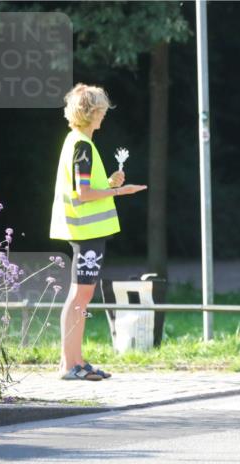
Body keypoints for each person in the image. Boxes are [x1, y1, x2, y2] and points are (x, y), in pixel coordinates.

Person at [50, 84, 147, 380]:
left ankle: (75, 361)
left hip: (85, 229)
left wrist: (108, 183)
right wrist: (119, 191)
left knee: (81, 295)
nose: (104, 114)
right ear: (90, 112)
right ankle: (69, 365)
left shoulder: (76, 142)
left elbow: (86, 188)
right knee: (80, 296)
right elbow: (83, 194)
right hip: (86, 230)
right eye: (101, 110)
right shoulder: (82, 146)